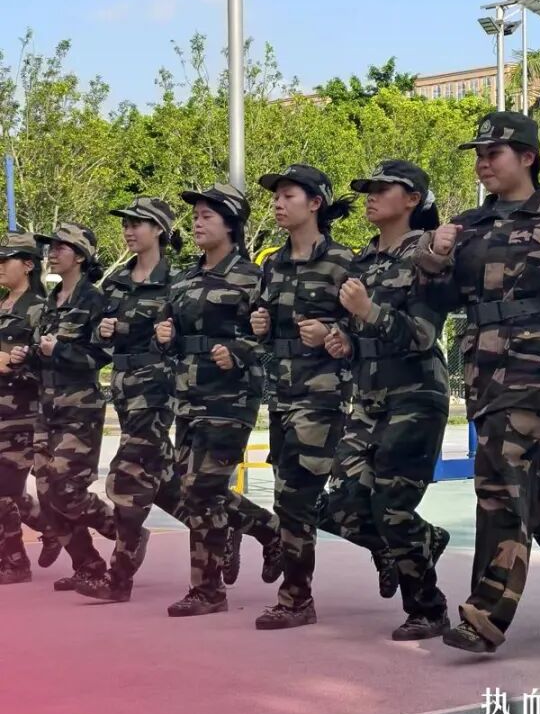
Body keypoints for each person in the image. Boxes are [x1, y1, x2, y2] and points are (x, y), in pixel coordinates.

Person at [413, 111, 540, 655]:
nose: (483, 163)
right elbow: (437, 297)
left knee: (500, 475)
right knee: (529, 478)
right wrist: (434, 256)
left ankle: (488, 610)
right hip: (484, 365)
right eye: (478, 155)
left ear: (527, 156)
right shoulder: (466, 226)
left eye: (493, 153)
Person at [321, 160, 451, 640]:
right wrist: (343, 339)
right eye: (367, 189)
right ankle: (425, 539)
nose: (371, 196)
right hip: (370, 397)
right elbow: (357, 329)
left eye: (382, 188)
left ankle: (428, 609)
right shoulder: (364, 260)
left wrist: (368, 310)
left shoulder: (428, 254)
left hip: (416, 394)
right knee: (338, 507)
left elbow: (421, 335)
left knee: (392, 506)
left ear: (412, 199)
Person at [156, 184, 279, 617]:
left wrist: (240, 350)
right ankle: (267, 528)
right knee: (189, 487)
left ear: (231, 224)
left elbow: (271, 336)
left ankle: (207, 590)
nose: (197, 222)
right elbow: (170, 336)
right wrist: (164, 337)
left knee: (203, 488)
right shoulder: (183, 278)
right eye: (195, 216)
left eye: (207, 215)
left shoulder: (252, 277)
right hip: (188, 395)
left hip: (231, 396)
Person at [250, 164, 354, 630]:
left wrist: (333, 331)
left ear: (315, 203)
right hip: (282, 394)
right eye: (276, 196)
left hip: (323, 394)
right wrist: (258, 326)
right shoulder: (271, 263)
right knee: (290, 496)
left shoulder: (342, 261)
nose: (278, 203)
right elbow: (260, 325)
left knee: (297, 498)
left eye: (288, 195)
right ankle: (405, 544)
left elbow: (364, 323)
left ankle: (295, 599)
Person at [76, 196, 178, 602]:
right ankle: (241, 526)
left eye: (137, 223)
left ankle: (118, 578)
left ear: (159, 230)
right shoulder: (117, 280)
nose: (129, 230)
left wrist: (138, 331)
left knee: (127, 477)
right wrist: (101, 332)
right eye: (126, 224)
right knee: (166, 482)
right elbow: (95, 336)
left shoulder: (177, 280)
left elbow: (183, 336)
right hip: (123, 385)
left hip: (157, 387)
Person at [30, 222, 116, 590]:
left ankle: (124, 531)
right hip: (47, 407)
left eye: (60, 247)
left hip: (79, 408)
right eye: (50, 247)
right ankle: (87, 564)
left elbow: (102, 355)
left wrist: (59, 350)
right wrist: (28, 354)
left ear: (80, 256)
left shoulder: (94, 300)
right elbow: (41, 352)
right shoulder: (50, 302)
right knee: (46, 493)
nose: (52, 253)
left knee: (67, 489)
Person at [0, 231, 57, 583]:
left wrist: (10, 363)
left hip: (23, 412)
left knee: (3, 490)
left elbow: (44, 364)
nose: (0, 266)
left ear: (28, 265)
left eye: (5, 260)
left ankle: (15, 562)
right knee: (11, 494)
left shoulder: (40, 309)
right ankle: (52, 529)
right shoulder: (2, 305)